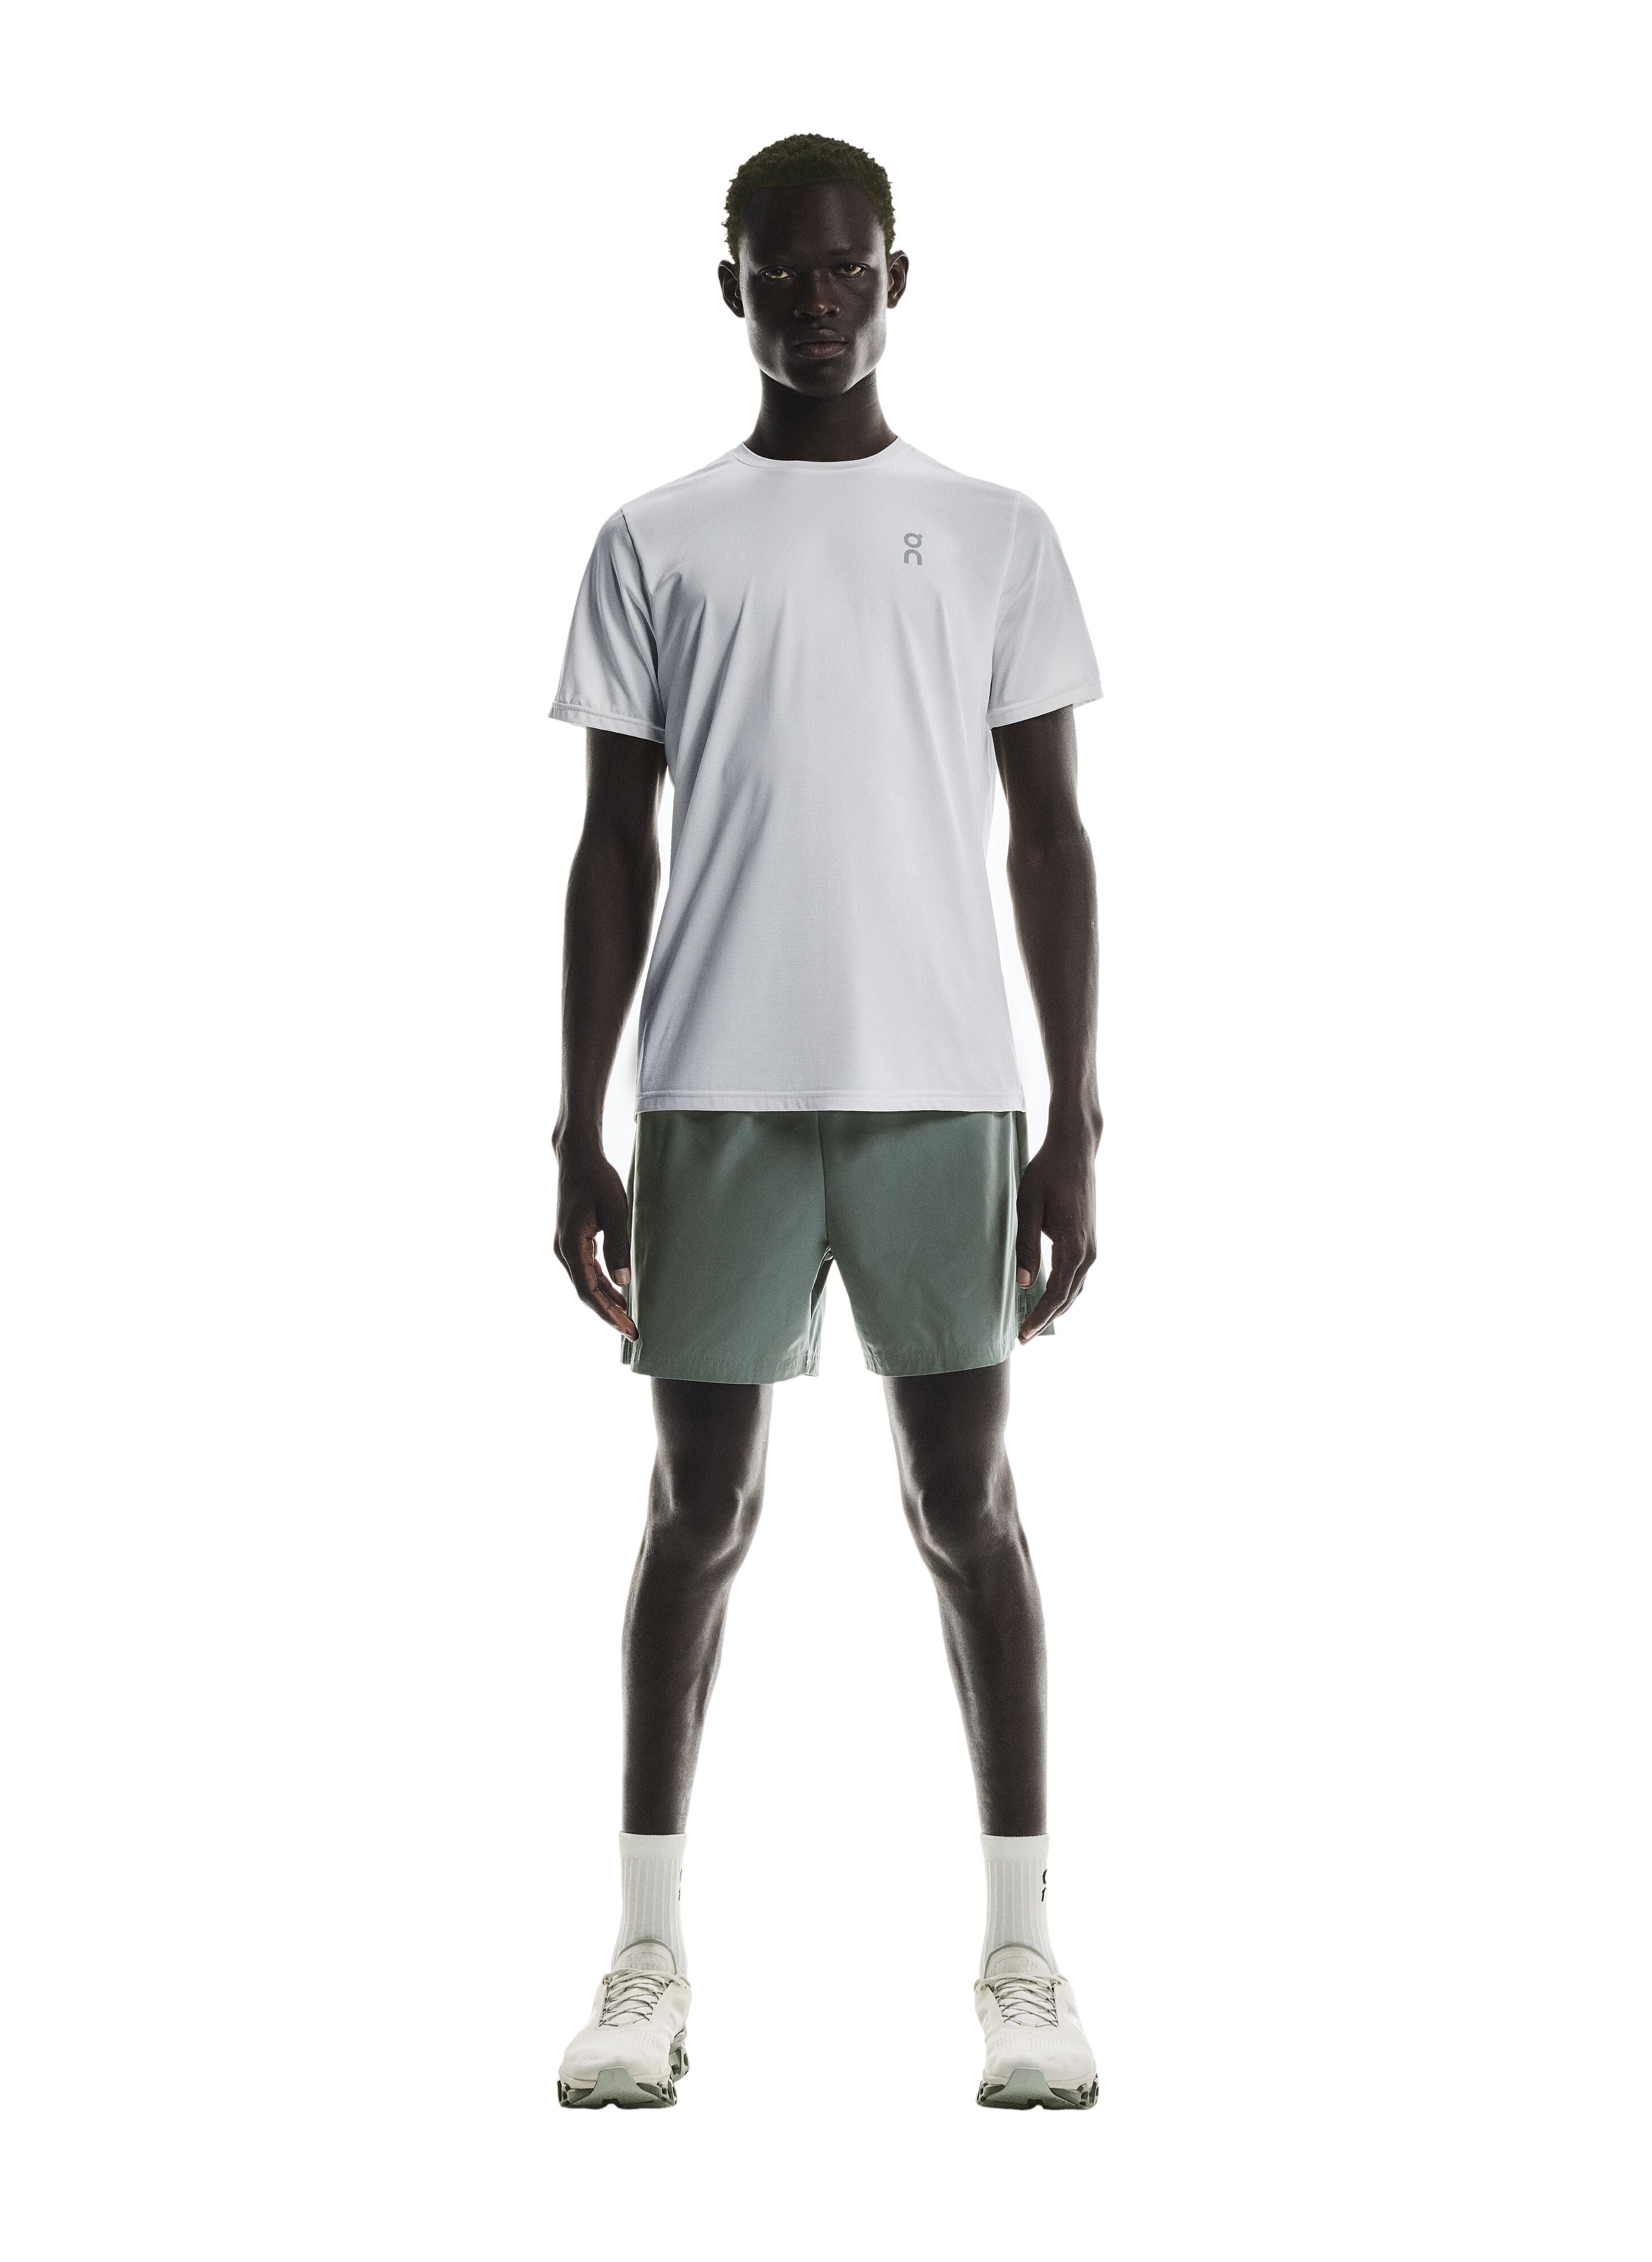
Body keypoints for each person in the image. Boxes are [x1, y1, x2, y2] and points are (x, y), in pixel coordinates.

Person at [547, 133, 1104, 2111]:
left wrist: (1076, 1121)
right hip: (713, 1084)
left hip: (942, 1085)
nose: (813, 303)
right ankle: (644, 1958)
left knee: (968, 1506)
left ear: (896, 279)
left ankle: (1024, 1955)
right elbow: (613, 850)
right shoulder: (657, 540)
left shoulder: (995, 533)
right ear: (731, 289)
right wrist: (575, 1126)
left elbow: (1052, 840)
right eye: (778, 274)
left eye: (844, 270)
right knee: (697, 1513)